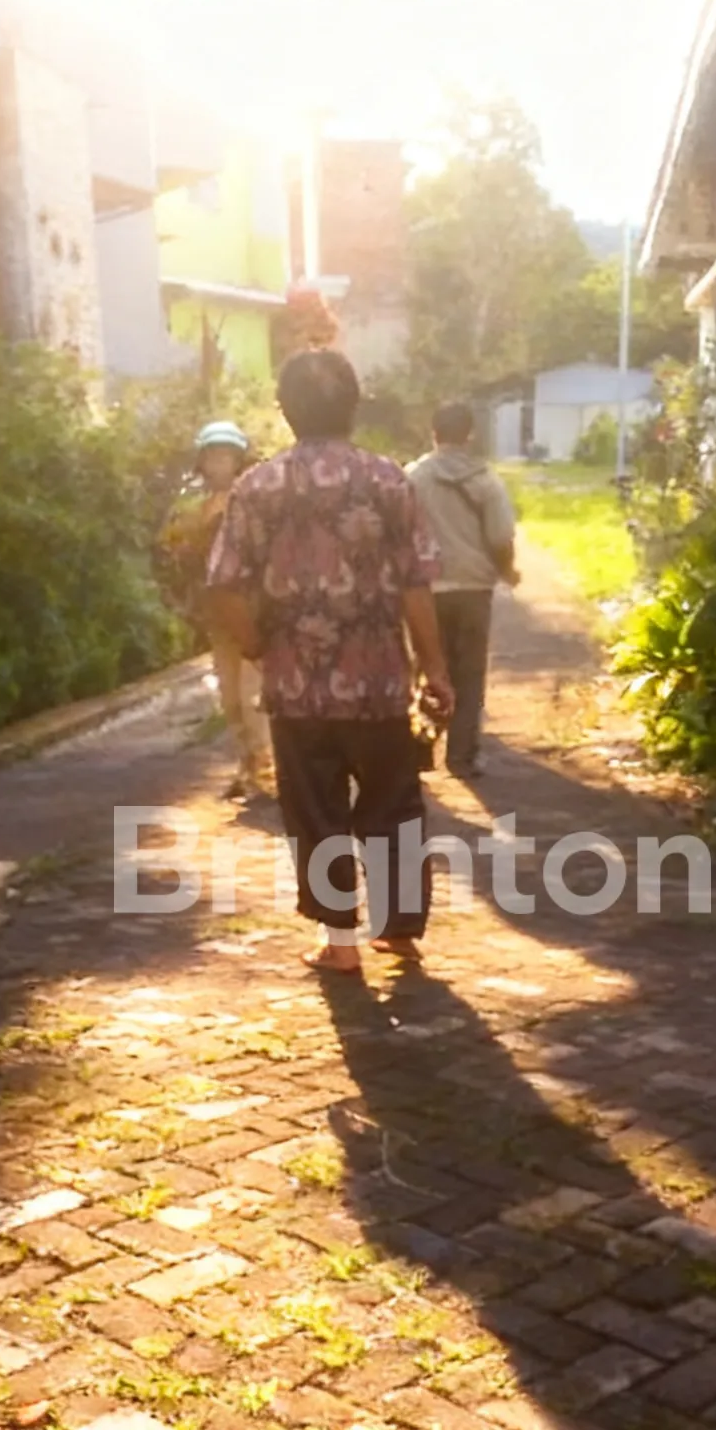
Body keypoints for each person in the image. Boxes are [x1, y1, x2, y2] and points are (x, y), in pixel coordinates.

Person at [206, 350, 454, 975]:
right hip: (379, 682)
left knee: (315, 809)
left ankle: (339, 942)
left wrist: (257, 646)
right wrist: (435, 668)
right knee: (394, 803)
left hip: (296, 688)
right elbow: (416, 584)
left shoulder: (257, 487)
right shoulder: (388, 481)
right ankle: (398, 930)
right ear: (353, 406)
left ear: (284, 409)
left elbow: (225, 585)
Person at [158, 420, 272, 799]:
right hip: (217, 616)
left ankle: (266, 772)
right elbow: (178, 556)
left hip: (252, 613)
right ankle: (248, 766)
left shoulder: (253, 500)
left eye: (226, 456)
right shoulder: (195, 508)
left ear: (239, 460)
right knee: (230, 698)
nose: (218, 464)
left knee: (253, 697)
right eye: (212, 457)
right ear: (202, 462)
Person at [408, 401, 518, 779]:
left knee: (428, 665)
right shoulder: (486, 481)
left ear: (433, 432)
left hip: (425, 590)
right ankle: (462, 755)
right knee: (468, 672)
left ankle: (422, 741)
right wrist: (507, 570)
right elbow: (501, 536)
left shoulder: (413, 477)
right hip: (473, 588)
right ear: (470, 434)